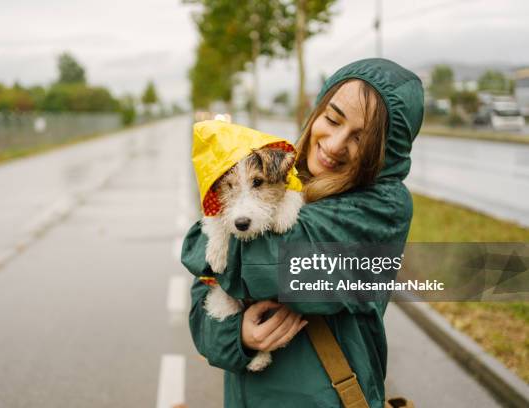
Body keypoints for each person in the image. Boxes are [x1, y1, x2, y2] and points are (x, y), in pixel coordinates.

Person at [182, 58, 424, 407]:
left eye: (361, 139)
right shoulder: (276, 173)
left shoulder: (381, 208)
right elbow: (201, 302)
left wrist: (204, 240)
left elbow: (267, 263)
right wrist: (238, 337)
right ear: (317, 110)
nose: (335, 143)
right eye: (332, 119)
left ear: (386, 153)